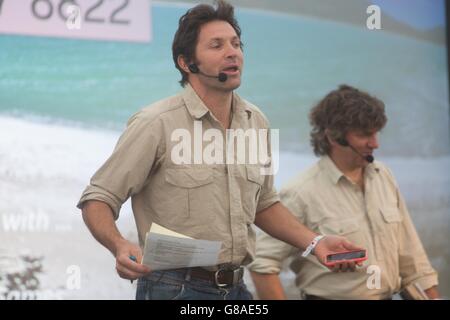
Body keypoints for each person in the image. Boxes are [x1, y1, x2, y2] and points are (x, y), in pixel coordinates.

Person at [77, 1, 361, 300]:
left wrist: (315, 243)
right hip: (174, 288)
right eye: (217, 45)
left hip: (237, 288)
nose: (232, 52)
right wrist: (119, 245)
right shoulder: (155, 123)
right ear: (187, 63)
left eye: (236, 44)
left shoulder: (257, 121)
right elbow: (98, 198)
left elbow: (264, 203)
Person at [248, 85, 440, 300]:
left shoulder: (383, 175)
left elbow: (411, 258)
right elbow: (262, 264)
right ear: (334, 137)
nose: (375, 143)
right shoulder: (300, 192)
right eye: (365, 135)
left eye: (376, 133)